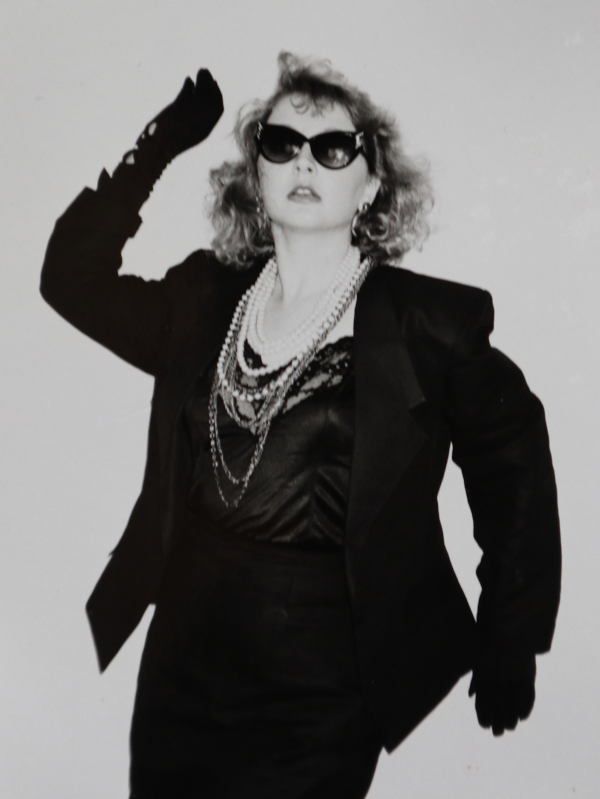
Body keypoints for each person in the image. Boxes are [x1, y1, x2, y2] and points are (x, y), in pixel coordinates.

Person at [40, 53, 561, 799]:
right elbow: (70, 279)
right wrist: (156, 147)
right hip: (184, 652)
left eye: (334, 147)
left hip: (324, 674)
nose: (305, 162)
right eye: (281, 144)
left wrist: (512, 631)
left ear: (371, 184)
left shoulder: (426, 325)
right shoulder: (203, 299)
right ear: (257, 177)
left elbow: (514, 459)